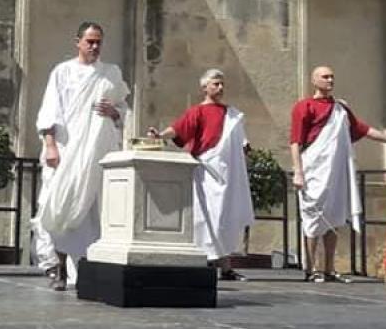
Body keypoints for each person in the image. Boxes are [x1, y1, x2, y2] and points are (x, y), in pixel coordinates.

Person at [31, 21, 129, 291]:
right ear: (78, 42)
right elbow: (49, 112)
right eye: (90, 41)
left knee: (93, 212)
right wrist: (50, 146)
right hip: (66, 150)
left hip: (97, 153)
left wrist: (114, 112)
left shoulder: (111, 73)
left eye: (98, 42)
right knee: (60, 205)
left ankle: (89, 269)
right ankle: (59, 269)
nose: (95, 46)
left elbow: (124, 110)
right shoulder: (62, 72)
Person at [290, 65, 386, 283]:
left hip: (336, 172)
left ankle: (329, 268)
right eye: (325, 77)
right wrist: (298, 171)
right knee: (312, 217)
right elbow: (296, 141)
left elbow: (364, 130)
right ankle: (311, 268)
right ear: (314, 81)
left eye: (332, 77)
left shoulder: (340, 109)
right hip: (314, 169)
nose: (330, 80)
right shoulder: (304, 106)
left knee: (334, 217)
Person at [147, 69, 254, 281]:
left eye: (222, 84)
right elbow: (178, 129)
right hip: (206, 173)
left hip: (228, 173)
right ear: (204, 87)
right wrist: (159, 135)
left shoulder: (231, 113)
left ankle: (226, 267)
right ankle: (202, 261)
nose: (220, 88)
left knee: (224, 218)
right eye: (215, 84)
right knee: (205, 219)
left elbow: (241, 143)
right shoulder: (197, 111)